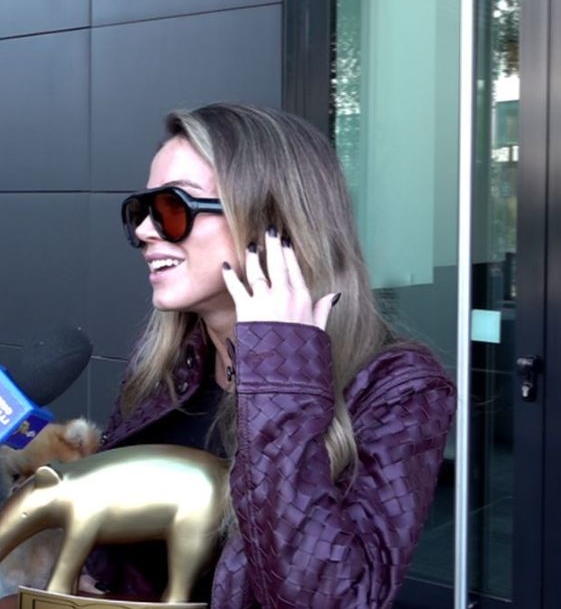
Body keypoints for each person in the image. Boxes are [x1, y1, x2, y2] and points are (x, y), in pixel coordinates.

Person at [80, 104, 456, 607]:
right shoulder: (170, 363)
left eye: (172, 208)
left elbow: (333, 600)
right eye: (140, 212)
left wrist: (281, 374)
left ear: (273, 222)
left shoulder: (397, 385)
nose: (147, 231)